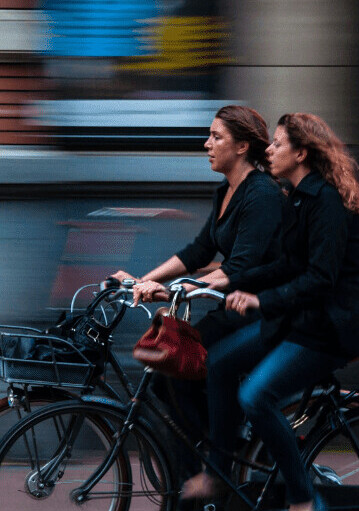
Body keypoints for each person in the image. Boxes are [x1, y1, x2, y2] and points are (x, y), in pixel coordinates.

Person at [182, 112, 359, 511]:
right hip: (299, 320)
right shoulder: (296, 196)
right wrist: (233, 281)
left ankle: (306, 498)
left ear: (302, 153)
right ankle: (219, 473)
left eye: (277, 144)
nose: (268, 151)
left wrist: (259, 299)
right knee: (216, 362)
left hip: (330, 329)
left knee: (255, 395)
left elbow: (320, 278)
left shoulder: (326, 201)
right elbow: (286, 264)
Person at [113, 105, 284, 348]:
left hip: (261, 312)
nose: (207, 144)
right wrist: (141, 282)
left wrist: (178, 289)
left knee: (182, 364)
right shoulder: (225, 190)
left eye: (217, 137)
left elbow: (239, 267)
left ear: (242, 146)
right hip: (232, 307)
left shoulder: (262, 194)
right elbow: (199, 252)